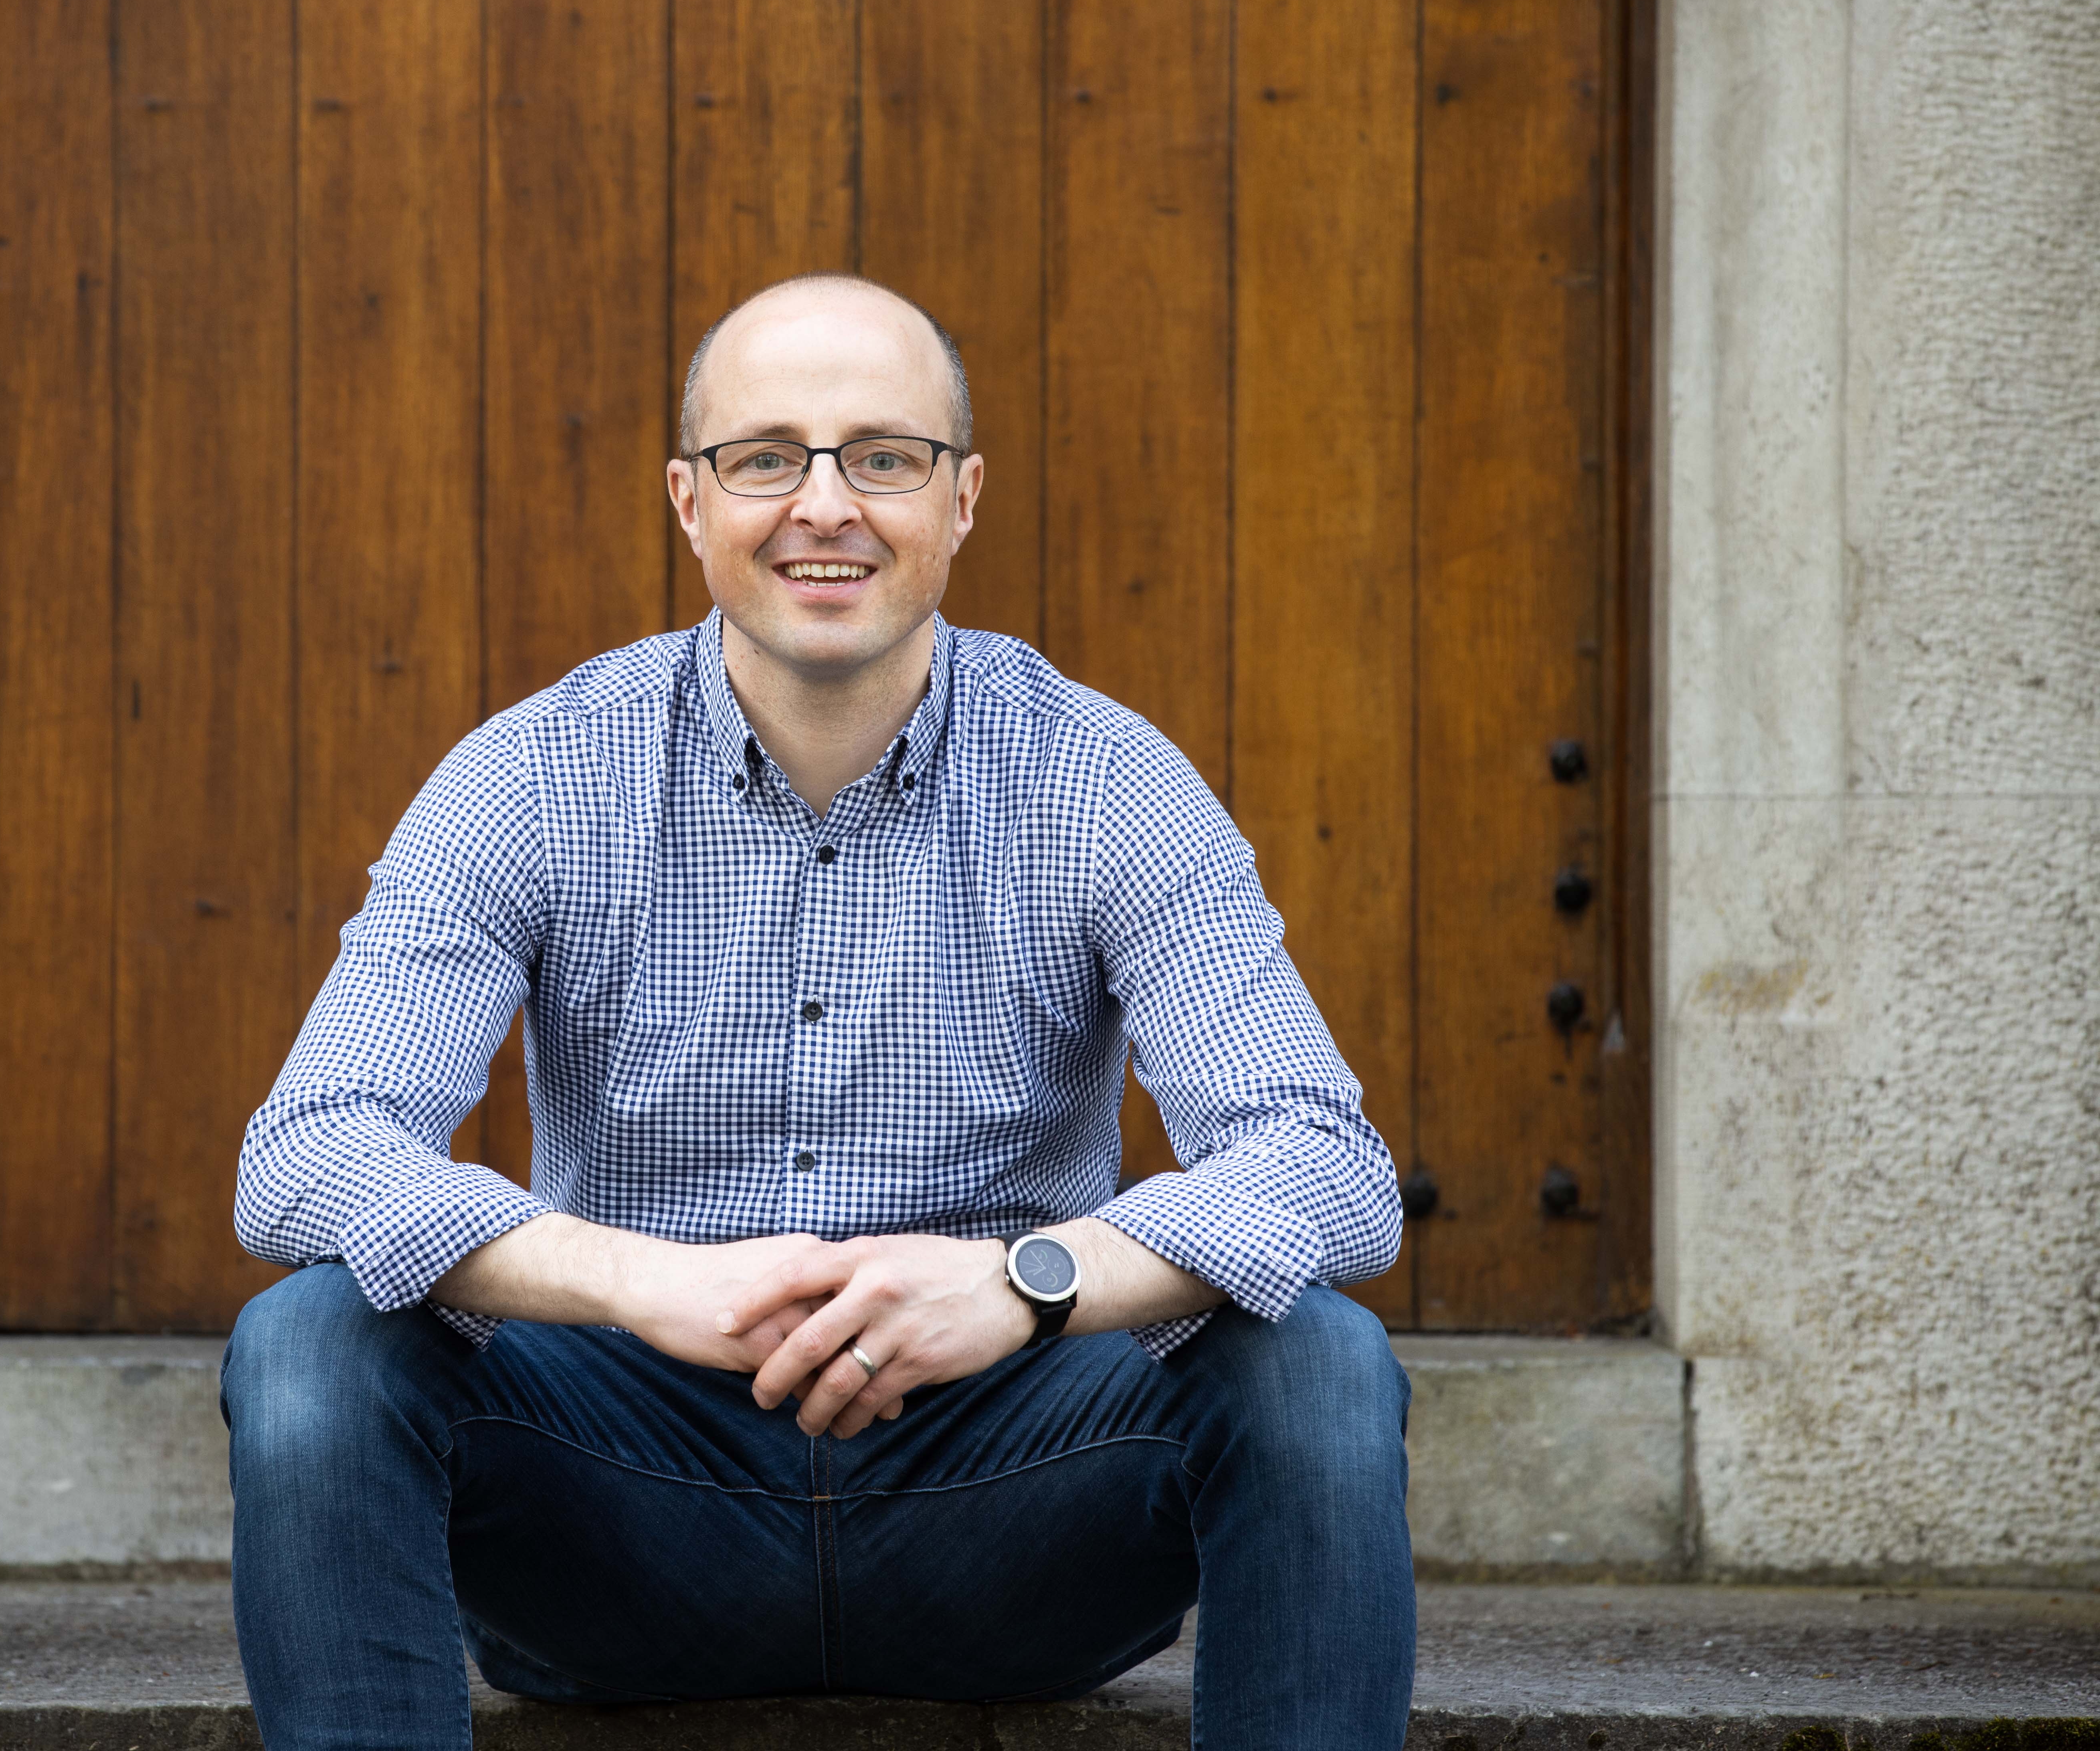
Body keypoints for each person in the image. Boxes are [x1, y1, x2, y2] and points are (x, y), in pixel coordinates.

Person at [221, 272, 1415, 1749]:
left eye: (885, 457)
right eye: (766, 456)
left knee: (1316, 1362)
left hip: (1011, 1508)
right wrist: (632, 1283)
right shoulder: (535, 773)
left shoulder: (1103, 777)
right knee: (313, 1342)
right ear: (689, 499)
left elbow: (1329, 1169)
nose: (825, 505)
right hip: (621, 1509)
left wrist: (1020, 1286)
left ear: (963, 500)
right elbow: (307, 1150)